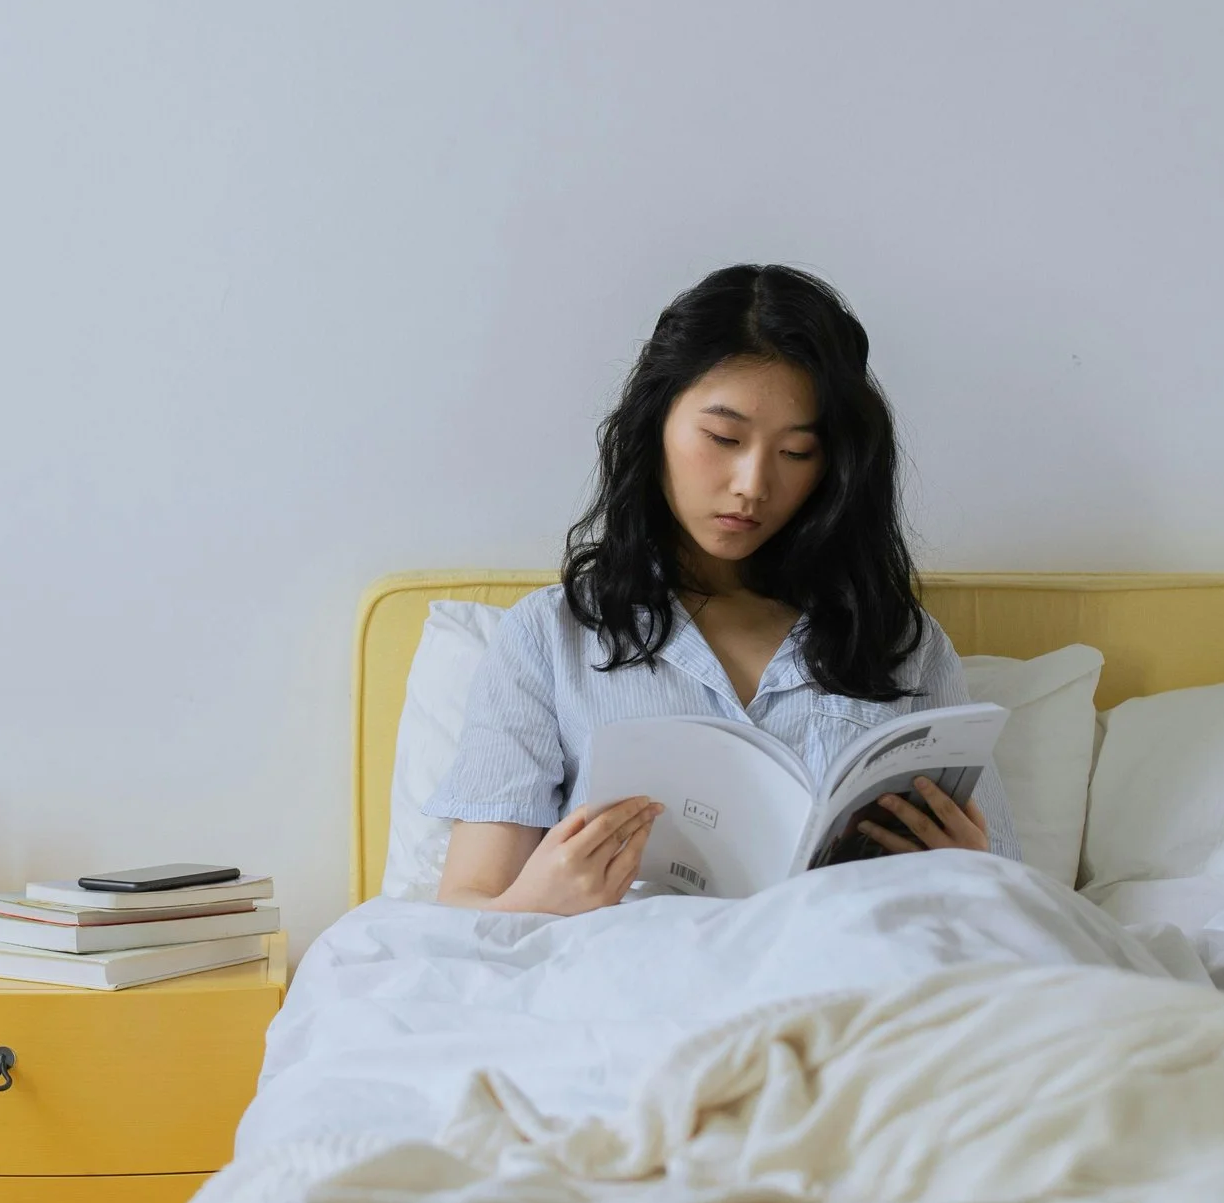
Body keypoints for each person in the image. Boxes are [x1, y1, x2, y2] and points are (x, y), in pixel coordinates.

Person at [432, 265, 1020, 915]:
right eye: (724, 438)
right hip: (624, 986)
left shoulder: (899, 643)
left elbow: (1015, 906)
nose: (752, 483)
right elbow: (466, 905)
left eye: (796, 452)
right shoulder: (548, 638)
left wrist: (976, 873)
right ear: (655, 422)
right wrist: (540, 900)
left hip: (855, 984)